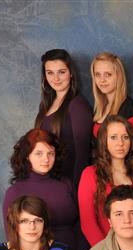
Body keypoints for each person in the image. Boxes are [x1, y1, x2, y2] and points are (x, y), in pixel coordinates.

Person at [3, 128, 87, 250]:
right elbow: (12, 237)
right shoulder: (15, 192)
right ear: (27, 156)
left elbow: (82, 224)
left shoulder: (65, 184)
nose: (46, 159)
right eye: (39, 153)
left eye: (51, 153)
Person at [78, 115, 133, 247]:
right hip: (105, 248)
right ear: (104, 141)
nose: (120, 143)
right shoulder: (90, 174)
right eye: (113, 137)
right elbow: (88, 223)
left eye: (125, 137)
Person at [34, 49, 92, 190]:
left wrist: (75, 190)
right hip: (47, 180)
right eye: (50, 73)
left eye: (61, 72)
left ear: (71, 73)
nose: (56, 78)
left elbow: (83, 155)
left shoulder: (77, 105)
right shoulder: (45, 105)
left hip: (68, 183)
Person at [90, 51, 133, 148]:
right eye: (98, 75)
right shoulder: (99, 109)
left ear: (119, 76)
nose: (102, 80)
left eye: (108, 74)